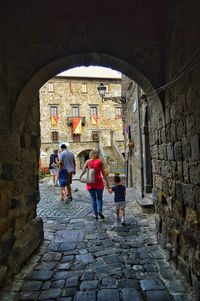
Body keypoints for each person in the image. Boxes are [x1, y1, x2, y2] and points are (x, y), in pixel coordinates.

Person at [79, 149, 109, 220]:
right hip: (98, 182)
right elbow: (103, 173)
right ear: (96, 154)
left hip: (90, 182)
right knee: (99, 198)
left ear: (90, 154)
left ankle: (95, 214)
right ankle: (100, 211)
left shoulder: (87, 161)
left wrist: (80, 176)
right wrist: (106, 181)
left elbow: (83, 171)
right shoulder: (100, 161)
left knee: (93, 199)